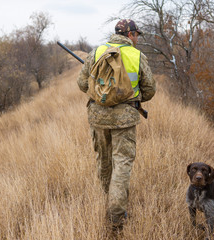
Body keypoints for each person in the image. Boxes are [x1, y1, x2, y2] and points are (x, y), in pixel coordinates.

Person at [77, 19, 156, 231]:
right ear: (129, 35)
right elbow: (149, 90)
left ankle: (108, 201)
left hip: (98, 118)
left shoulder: (96, 52)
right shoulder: (137, 56)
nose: (137, 38)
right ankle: (117, 215)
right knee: (122, 164)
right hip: (126, 119)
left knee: (104, 161)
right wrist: (131, 96)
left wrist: (102, 91)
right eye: (136, 35)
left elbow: (82, 84)